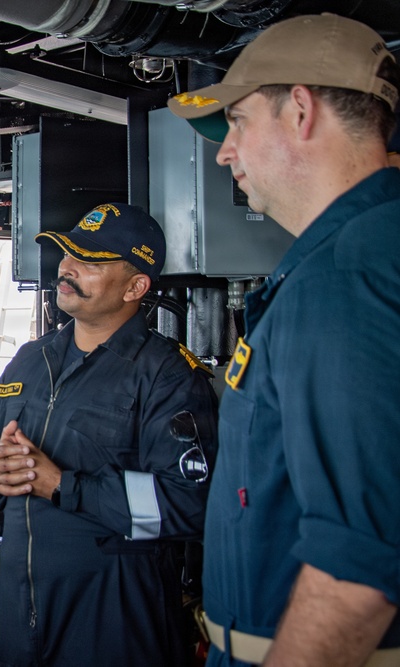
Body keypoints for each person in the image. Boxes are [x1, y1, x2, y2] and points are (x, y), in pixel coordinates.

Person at [168, 13, 400, 666]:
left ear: (300, 110)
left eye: (237, 122)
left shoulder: (346, 276)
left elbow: (356, 572)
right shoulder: (369, 250)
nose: (223, 151)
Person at [0, 203, 218, 666]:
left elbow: (189, 505)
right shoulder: (27, 360)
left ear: (136, 286)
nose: (67, 267)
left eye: (91, 260)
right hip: (20, 613)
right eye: (66, 253)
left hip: (115, 616)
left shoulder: (168, 375)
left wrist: (62, 486)